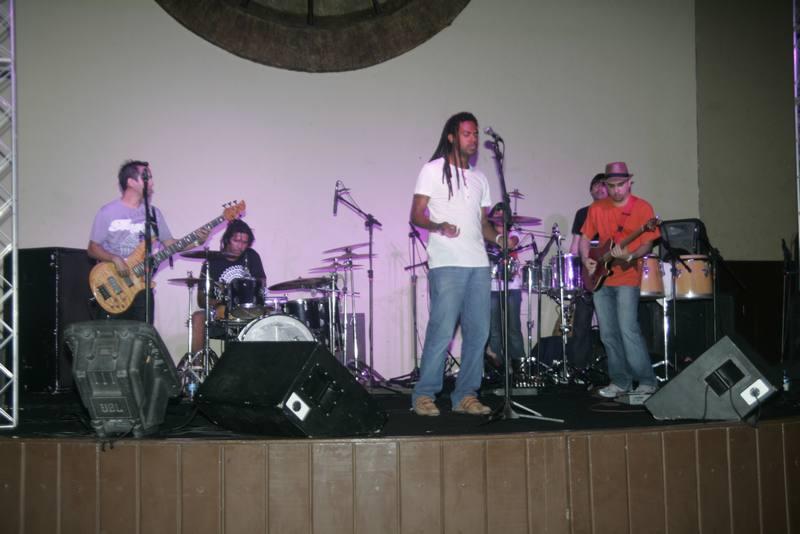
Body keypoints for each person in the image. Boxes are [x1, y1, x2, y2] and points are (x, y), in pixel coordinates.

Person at [409, 111, 505, 417]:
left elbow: (483, 224)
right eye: (467, 133)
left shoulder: (480, 178)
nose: (473, 139)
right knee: (442, 331)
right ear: (452, 137)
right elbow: (416, 214)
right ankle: (424, 394)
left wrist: (500, 239)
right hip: (447, 263)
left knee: (478, 334)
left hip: (479, 264)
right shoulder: (432, 170)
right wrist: (438, 226)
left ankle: (465, 395)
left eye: (475, 133)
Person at [88, 160, 209, 322]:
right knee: (112, 335)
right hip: (113, 286)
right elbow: (92, 248)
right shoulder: (108, 212)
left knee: (143, 334)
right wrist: (115, 259)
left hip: (142, 287)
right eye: (147, 177)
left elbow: (169, 244)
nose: (152, 182)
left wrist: (197, 242)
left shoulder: (153, 214)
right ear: (131, 182)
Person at [579, 162, 660, 397]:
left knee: (628, 329)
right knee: (607, 333)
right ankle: (620, 381)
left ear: (629, 182)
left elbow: (648, 243)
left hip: (628, 276)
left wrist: (631, 255)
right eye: (611, 186)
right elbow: (585, 238)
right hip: (601, 278)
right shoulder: (597, 208)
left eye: (620, 185)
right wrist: (586, 259)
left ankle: (647, 381)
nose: (616, 190)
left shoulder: (643, 208)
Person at [191, 218, 266, 353]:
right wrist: (222, 303)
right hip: (220, 313)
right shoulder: (212, 262)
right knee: (198, 317)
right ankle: (198, 364)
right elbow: (201, 300)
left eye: (244, 242)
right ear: (227, 239)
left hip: (248, 310)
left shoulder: (251, 256)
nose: (240, 246)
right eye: (236, 240)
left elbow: (261, 286)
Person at [566, 173, 607, 373]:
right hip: (587, 275)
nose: (599, 189)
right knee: (581, 323)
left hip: (610, 274)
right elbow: (575, 246)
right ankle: (579, 368)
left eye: (603, 185)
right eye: (595, 186)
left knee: (609, 325)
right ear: (591, 190)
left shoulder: (616, 212)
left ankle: (611, 368)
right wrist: (571, 265)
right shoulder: (583, 213)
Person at [485, 203, 523, 377]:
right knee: (494, 330)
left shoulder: (513, 233)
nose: (500, 219)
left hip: (512, 286)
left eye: (503, 215)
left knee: (513, 328)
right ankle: (497, 369)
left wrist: (502, 239)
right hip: (490, 286)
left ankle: (519, 369)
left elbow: (512, 243)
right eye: (497, 215)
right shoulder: (486, 235)